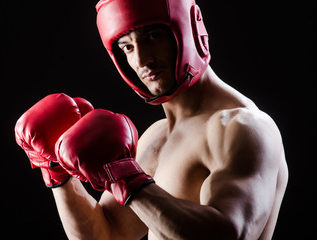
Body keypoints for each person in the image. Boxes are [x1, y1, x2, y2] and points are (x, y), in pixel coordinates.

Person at [15, 0, 288, 239]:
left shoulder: (242, 128)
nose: (142, 59)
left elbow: (231, 233)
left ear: (189, 29)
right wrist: (56, 171)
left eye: (153, 36)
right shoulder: (156, 137)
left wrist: (128, 181)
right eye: (128, 47)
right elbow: (107, 236)